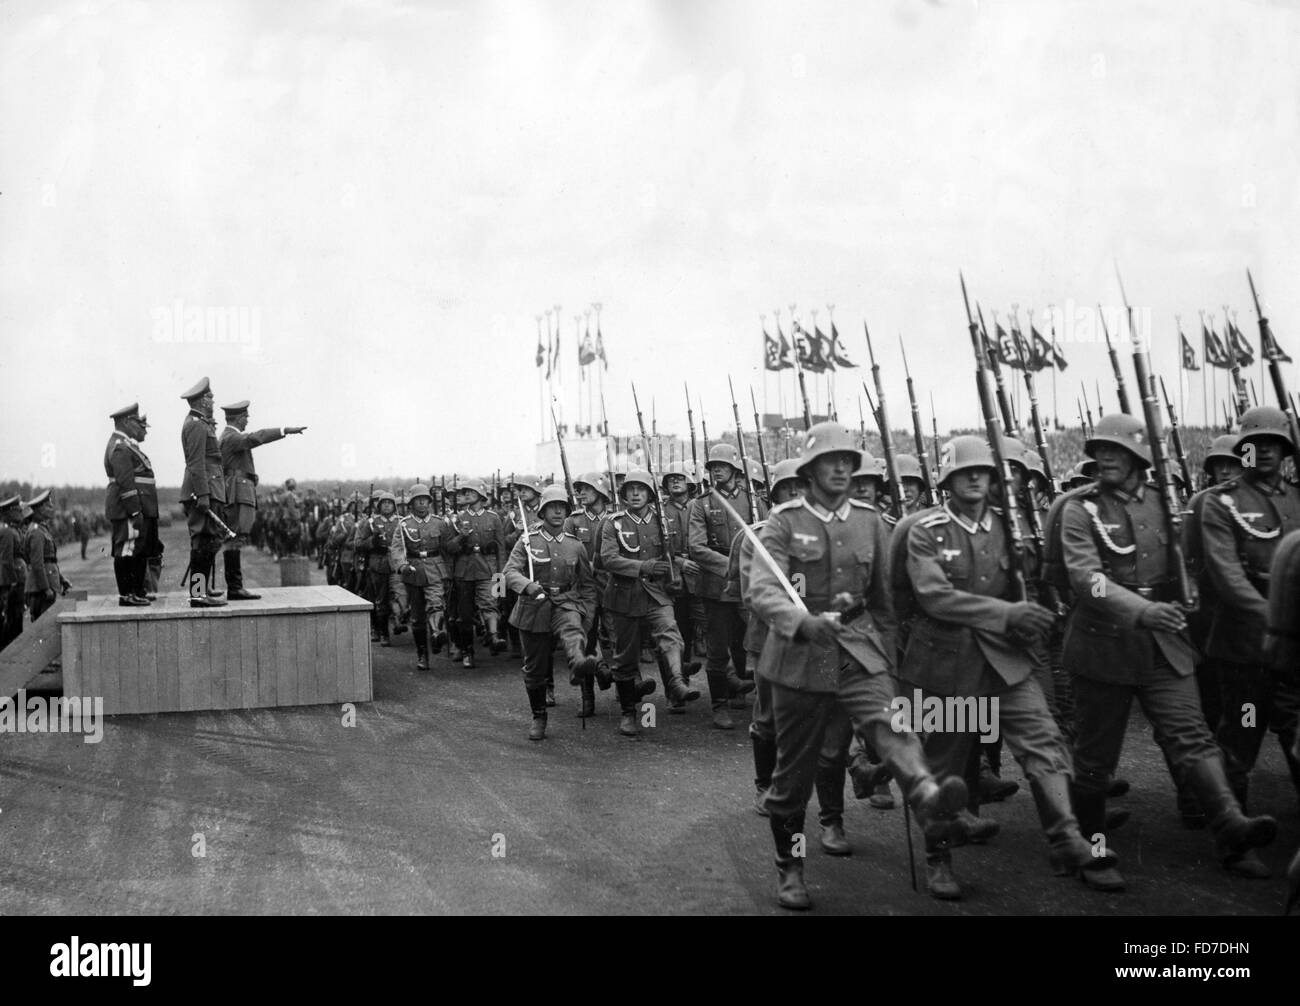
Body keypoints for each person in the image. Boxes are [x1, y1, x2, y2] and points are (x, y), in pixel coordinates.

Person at [746, 421, 967, 911]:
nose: (842, 468)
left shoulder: (871, 521)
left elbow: (885, 601)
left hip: (860, 648)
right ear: (810, 471)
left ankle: (928, 793)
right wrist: (799, 621)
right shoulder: (783, 522)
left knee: (893, 725)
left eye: (848, 460)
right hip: (799, 658)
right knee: (793, 781)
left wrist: (886, 654)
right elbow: (761, 591)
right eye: (832, 461)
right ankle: (792, 866)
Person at [898, 435, 1123, 900]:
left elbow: (1036, 583)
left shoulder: (1013, 529)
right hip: (947, 662)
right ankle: (939, 857)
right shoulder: (928, 529)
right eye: (965, 472)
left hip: (1005, 661)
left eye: (984, 471)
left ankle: (1066, 837)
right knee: (945, 765)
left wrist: (1032, 611)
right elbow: (934, 597)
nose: (976, 478)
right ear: (947, 480)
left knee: (1045, 742)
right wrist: (1007, 615)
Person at [1060, 413, 1278, 882]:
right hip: (1104, 649)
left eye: (1115, 450)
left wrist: (1188, 593)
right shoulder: (1083, 510)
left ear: (1139, 455)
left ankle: (1230, 826)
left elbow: (1192, 563)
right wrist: (1141, 610)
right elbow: (1087, 582)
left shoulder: (1167, 504)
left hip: (1164, 643)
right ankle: (1092, 849)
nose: (1104, 457)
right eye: (1099, 450)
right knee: (1097, 760)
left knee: (1193, 737)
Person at [1200, 406, 1300, 871]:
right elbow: (1226, 577)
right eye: (1255, 443)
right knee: (1242, 735)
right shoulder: (1222, 504)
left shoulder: (1298, 499)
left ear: (1285, 450)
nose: (1264, 450)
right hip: (1247, 649)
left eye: (1273, 443)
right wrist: (1280, 616)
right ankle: (1232, 840)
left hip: (1294, 647)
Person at [599, 470, 695, 736]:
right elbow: (608, 559)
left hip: (656, 593)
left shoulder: (663, 523)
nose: (635, 494)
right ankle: (630, 712)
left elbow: (671, 555)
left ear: (651, 494)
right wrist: (644, 566)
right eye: (630, 489)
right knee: (625, 657)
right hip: (623, 595)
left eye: (641, 489)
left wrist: (674, 566)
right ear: (623, 494)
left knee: (671, 634)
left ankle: (677, 681)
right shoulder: (613, 523)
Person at [504, 486, 599, 739]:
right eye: (552, 507)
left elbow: (588, 585)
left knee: (572, 630)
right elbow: (509, 572)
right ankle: (539, 716)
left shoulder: (575, 546)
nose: (557, 511)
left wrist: (587, 614)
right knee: (535, 668)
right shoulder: (527, 540)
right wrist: (526, 585)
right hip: (533, 606)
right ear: (543, 511)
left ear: (567, 512)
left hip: (566, 600)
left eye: (562, 507)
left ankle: (578, 662)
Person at [739, 458, 805, 816]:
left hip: (816, 641)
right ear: (774, 494)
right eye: (786, 490)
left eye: (801, 488)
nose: (795, 495)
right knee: (768, 717)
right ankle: (766, 785)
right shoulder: (758, 534)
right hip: (770, 639)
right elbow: (752, 593)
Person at [689, 443, 764, 729]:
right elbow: (696, 548)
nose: (716, 470)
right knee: (718, 648)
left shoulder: (755, 501)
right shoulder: (702, 504)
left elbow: (770, 536)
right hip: (717, 585)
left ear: (734, 469)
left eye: (722, 466)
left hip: (750, 584)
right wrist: (732, 567)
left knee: (749, 643)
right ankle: (719, 704)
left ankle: (745, 693)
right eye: (712, 467)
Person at [564, 472, 617, 715]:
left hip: (612, 585)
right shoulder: (573, 521)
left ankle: (624, 686)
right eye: (579, 489)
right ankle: (587, 698)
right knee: (586, 639)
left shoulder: (615, 519)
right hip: (584, 588)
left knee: (618, 638)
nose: (581, 493)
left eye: (586, 488)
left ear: (601, 491)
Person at [390, 484, 455, 671]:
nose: (422, 503)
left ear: (429, 502)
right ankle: (422, 655)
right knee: (417, 618)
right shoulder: (403, 524)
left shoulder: (440, 522)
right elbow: (396, 548)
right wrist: (402, 565)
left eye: (425, 500)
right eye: (418, 500)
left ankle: (436, 632)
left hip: (435, 567)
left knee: (436, 603)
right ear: (411, 504)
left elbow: (447, 548)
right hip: (413, 570)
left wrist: (450, 572)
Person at [178, 377, 228, 608]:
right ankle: (198, 595)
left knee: (207, 542)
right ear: (201, 401)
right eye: (210, 397)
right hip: (201, 490)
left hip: (207, 487)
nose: (213, 401)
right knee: (201, 542)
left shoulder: (200, 423)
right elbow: (196, 463)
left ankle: (202, 589)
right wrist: (204, 494)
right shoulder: (196, 425)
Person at [448, 480, 508, 668]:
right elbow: (450, 547)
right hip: (464, 570)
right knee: (464, 615)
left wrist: (502, 574)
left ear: (481, 495)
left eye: (471, 492)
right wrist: (461, 536)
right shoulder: (457, 518)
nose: (466, 495)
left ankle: (494, 636)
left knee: (491, 604)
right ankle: (467, 651)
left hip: (488, 568)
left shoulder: (493, 518)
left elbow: (501, 548)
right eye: (465, 492)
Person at [104, 402, 158, 606]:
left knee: (135, 548)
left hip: (133, 506)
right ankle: (127, 595)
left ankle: (135, 591)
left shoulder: (125, 444)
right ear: (126, 422)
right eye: (136, 422)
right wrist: (135, 510)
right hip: (126, 507)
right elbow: (126, 483)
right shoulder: (120, 446)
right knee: (127, 549)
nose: (139, 426)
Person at [356, 491, 401, 646]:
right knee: (380, 599)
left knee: (398, 595)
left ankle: (397, 621)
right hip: (377, 563)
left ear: (394, 506)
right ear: (379, 506)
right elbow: (359, 544)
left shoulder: (401, 522)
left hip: (396, 563)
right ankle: (382, 632)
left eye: (390, 502)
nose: (387, 505)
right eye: (384, 503)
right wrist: (372, 540)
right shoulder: (370, 523)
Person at [23, 490, 70, 621]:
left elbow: (50, 560)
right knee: (42, 629)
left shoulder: (42, 529)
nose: (52, 508)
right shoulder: (37, 532)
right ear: (39, 510)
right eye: (48, 506)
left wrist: (61, 579)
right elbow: (37, 563)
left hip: (47, 585)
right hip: (41, 589)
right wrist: (46, 588)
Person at [0, 494, 26, 648]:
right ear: (9, 512)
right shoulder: (8, 532)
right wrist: (13, 581)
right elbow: (6, 560)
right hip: (12, 580)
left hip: (14, 578)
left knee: (14, 616)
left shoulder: (9, 530)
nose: (20, 513)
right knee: (14, 617)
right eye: (17, 510)